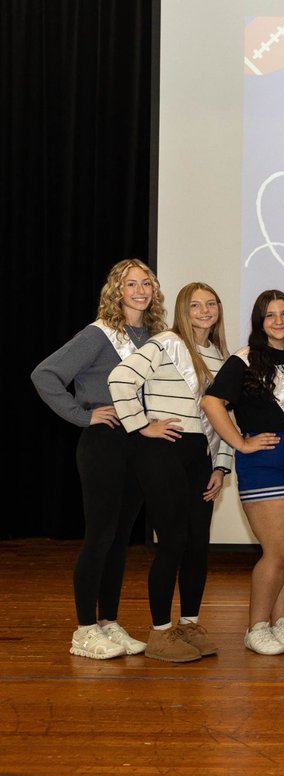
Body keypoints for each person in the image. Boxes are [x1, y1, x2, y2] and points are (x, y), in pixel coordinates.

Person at [32, 259, 166, 659]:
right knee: (100, 536)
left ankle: (109, 621)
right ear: (117, 291)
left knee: (120, 540)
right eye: (131, 284)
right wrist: (82, 414)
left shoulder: (156, 335)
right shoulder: (98, 334)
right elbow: (45, 374)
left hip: (140, 444)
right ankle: (84, 630)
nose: (140, 290)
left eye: (147, 283)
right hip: (104, 443)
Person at [108, 282, 233, 662]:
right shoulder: (166, 342)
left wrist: (222, 465)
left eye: (211, 303)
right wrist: (142, 424)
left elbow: (225, 416)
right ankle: (160, 631)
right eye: (195, 305)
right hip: (162, 449)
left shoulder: (222, 357)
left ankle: (189, 624)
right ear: (182, 310)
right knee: (173, 540)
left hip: (201, 455)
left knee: (198, 543)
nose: (204, 310)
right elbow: (119, 379)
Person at [201, 290, 284, 655]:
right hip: (266, 463)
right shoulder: (244, 359)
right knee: (277, 548)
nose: (278, 320)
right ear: (259, 321)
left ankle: (280, 620)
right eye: (270, 315)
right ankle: (256, 627)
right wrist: (240, 443)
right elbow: (211, 402)